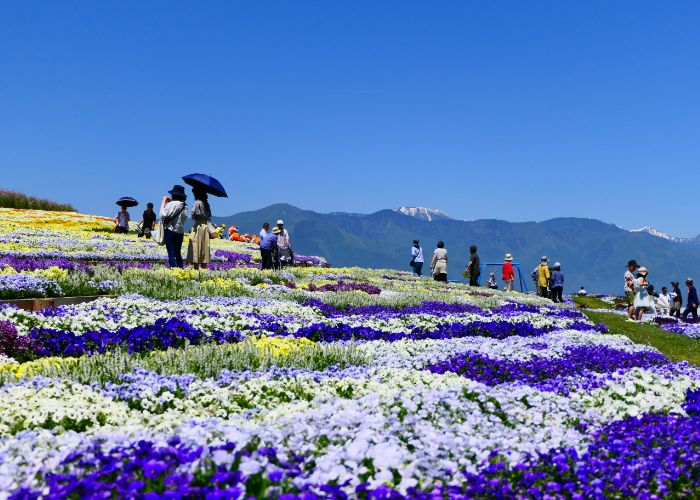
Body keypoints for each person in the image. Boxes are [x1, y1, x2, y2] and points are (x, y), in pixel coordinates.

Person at [160, 185, 188, 268]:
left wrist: (163, 202)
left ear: (173, 194)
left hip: (170, 231)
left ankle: (173, 269)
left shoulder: (171, 204)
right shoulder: (185, 206)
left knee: (171, 253)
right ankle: (180, 268)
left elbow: (162, 215)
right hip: (180, 232)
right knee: (178, 253)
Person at [187, 187, 212, 270]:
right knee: (204, 249)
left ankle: (196, 270)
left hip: (198, 227)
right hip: (206, 228)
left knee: (196, 248)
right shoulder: (207, 204)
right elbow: (209, 217)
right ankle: (204, 270)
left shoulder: (197, 202)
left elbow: (193, 216)